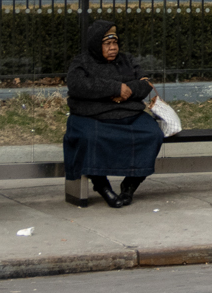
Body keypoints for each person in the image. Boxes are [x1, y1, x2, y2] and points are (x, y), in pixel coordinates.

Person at [63, 19, 164, 207]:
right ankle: (101, 185)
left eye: (115, 43)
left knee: (152, 134)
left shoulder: (127, 60)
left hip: (128, 114)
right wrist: (114, 88)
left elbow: (145, 83)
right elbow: (77, 86)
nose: (113, 48)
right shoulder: (82, 62)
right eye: (107, 44)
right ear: (96, 44)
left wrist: (126, 92)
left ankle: (130, 185)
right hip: (92, 116)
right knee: (89, 137)